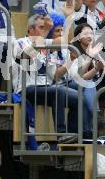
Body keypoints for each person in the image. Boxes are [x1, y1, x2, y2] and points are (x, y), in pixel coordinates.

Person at [12, 13, 85, 143]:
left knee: (78, 98)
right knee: (59, 90)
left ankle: (72, 137)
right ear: (30, 29)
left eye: (45, 28)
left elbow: (56, 75)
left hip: (46, 88)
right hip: (26, 88)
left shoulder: (46, 46)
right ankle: (61, 134)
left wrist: (69, 18)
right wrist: (46, 31)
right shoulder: (19, 42)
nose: (44, 30)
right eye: (41, 27)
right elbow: (25, 57)